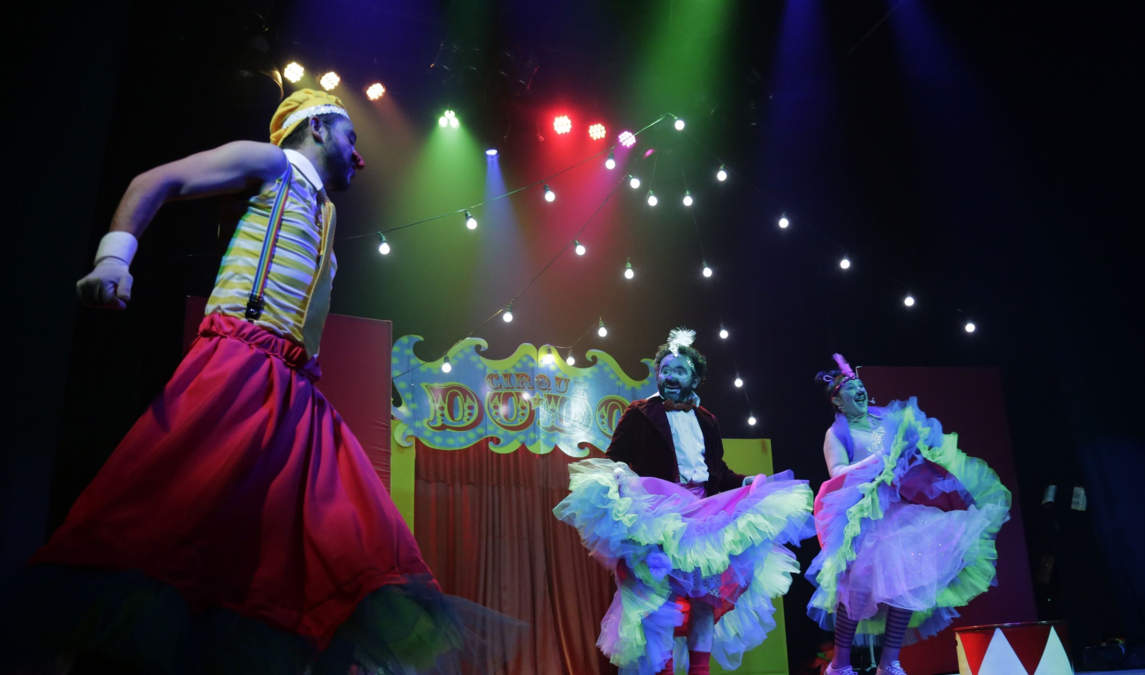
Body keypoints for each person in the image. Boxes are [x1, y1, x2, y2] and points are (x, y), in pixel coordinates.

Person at [3, 89, 514, 675]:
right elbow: (156, 180)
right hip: (241, 363)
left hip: (298, 391)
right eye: (351, 137)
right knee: (169, 523)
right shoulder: (272, 163)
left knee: (344, 540)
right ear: (317, 128)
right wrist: (113, 261)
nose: (361, 156)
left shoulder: (326, 213)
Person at [554, 328, 814, 675]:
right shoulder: (640, 413)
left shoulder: (708, 419)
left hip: (702, 518)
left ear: (695, 377)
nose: (671, 377)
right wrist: (617, 475)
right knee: (657, 600)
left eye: (679, 370)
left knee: (705, 599)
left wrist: (745, 481)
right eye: (665, 370)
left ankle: (699, 671)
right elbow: (615, 458)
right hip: (657, 516)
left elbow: (717, 471)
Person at [807, 355, 1011, 675]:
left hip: (900, 509)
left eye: (861, 385)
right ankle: (840, 663)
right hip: (864, 514)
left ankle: (889, 663)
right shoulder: (837, 433)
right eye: (851, 388)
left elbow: (918, 453)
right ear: (837, 401)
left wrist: (916, 449)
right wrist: (876, 461)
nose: (860, 390)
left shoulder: (887, 419)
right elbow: (838, 472)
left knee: (906, 581)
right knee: (855, 588)